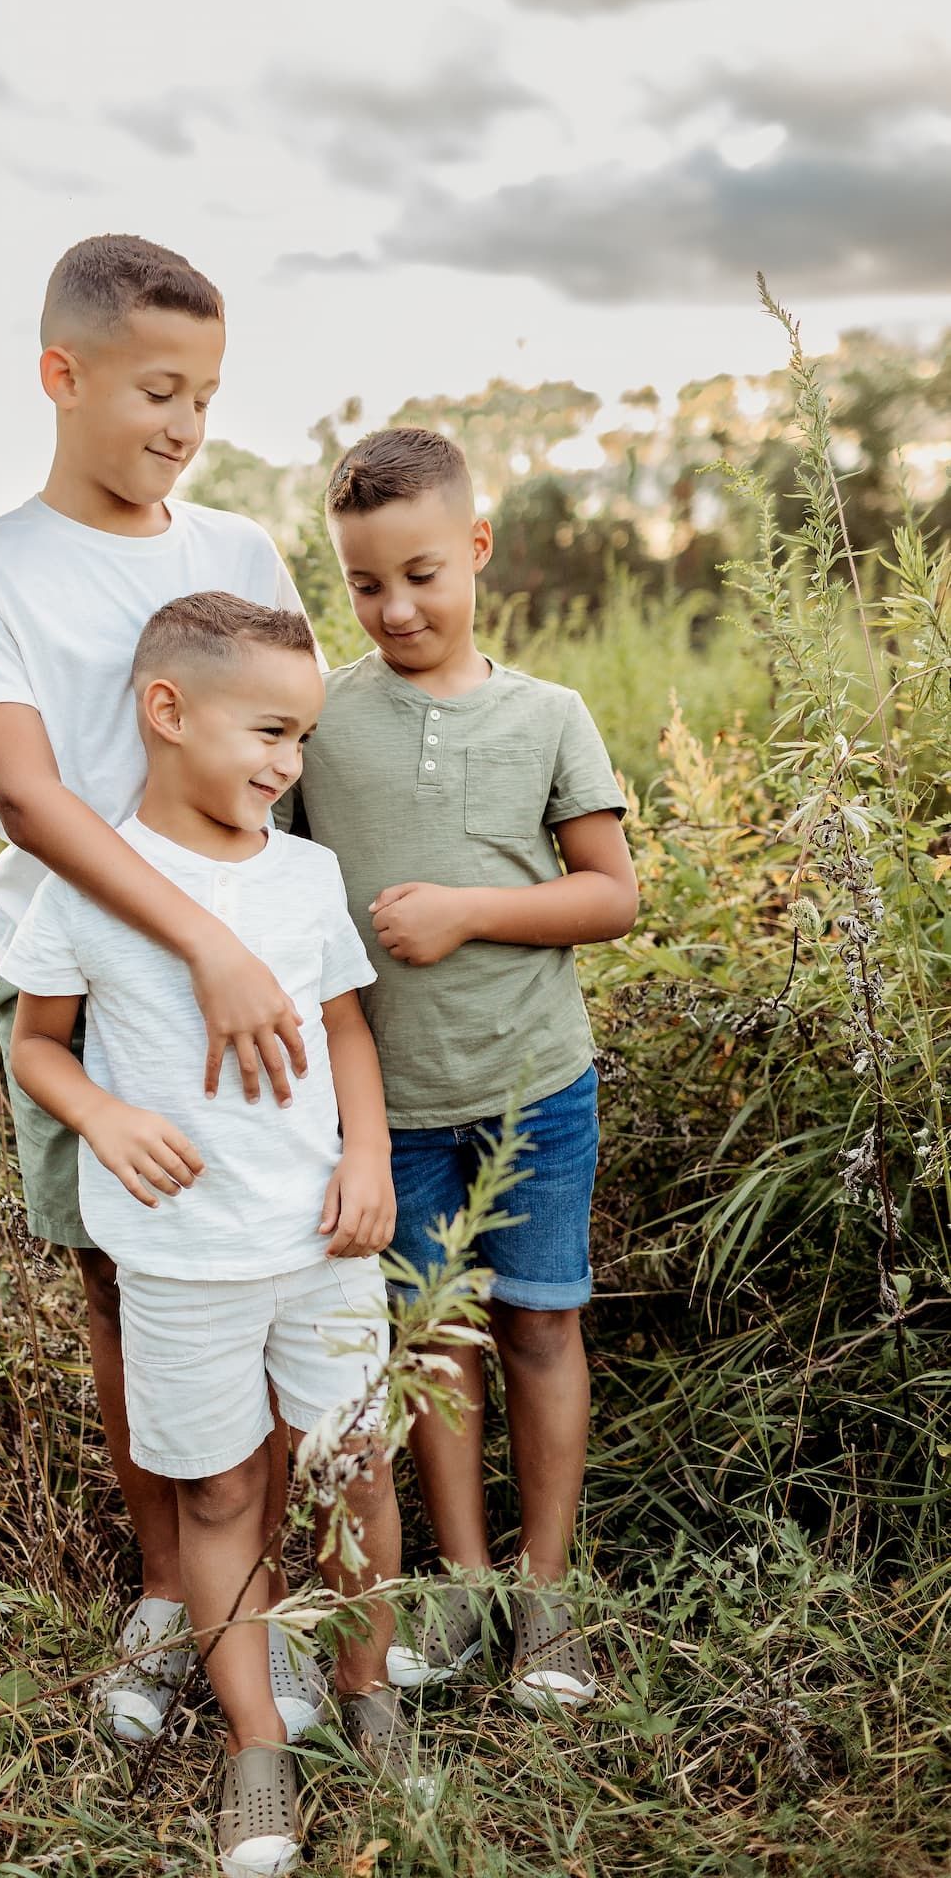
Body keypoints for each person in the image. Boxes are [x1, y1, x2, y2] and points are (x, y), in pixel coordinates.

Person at [0, 235, 321, 1745]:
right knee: (124, 1291)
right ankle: (172, 1594)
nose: (184, 426)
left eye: (206, 397)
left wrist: (269, 949)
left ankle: (262, 1605)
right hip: (91, 992)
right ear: (63, 375)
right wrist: (194, 940)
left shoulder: (242, 552)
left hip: (252, 1003)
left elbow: (295, 754)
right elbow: (30, 800)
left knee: (267, 1276)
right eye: (159, 389)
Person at [3, 594, 420, 1877]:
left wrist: (366, 1153)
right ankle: (255, 1745)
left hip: (322, 1242)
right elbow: (34, 1043)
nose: (286, 761)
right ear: (168, 711)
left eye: (300, 736)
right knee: (223, 1490)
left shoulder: (303, 875)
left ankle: (367, 1688)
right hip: (181, 1257)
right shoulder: (86, 883)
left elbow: (347, 1026)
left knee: (355, 1468)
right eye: (268, 729)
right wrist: (104, 1117)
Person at [290, 427, 639, 1709]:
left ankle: (547, 1590)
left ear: (477, 549)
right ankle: (464, 1576)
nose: (396, 608)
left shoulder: (548, 714)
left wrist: (467, 909)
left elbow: (610, 894)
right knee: (434, 1346)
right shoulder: (321, 718)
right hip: (396, 1106)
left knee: (541, 1321)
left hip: (537, 1085)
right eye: (366, 584)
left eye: (423, 574)